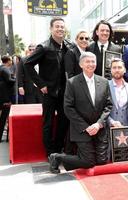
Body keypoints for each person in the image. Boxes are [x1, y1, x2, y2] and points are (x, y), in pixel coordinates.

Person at [48, 52, 112, 173]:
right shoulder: (72, 82)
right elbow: (68, 108)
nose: (91, 64)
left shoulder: (104, 82)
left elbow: (108, 106)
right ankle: (57, 157)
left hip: (99, 128)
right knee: (89, 162)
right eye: (88, 61)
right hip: (81, 129)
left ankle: (81, 155)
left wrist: (99, 124)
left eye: (93, 61)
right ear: (81, 64)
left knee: (102, 161)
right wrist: (86, 127)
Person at [24, 17, 74, 157]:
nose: (60, 29)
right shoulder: (44, 47)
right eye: (57, 26)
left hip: (65, 92)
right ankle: (49, 152)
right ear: (51, 29)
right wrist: (41, 84)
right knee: (48, 123)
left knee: (64, 122)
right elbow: (27, 64)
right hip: (49, 92)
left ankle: (58, 149)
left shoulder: (69, 46)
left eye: (62, 27)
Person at [108, 58, 128, 128]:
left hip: (126, 129)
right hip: (108, 130)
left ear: (125, 70)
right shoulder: (104, 86)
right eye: (114, 67)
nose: (117, 70)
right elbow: (100, 109)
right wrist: (112, 122)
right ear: (110, 70)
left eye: (119, 67)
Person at [0, 56, 15, 142]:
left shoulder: (1, 68)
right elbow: (10, 80)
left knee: (3, 117)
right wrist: (14, 78)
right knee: (4, 117)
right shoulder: (5, 69)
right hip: (5, 97)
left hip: (2, 96)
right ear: (8, 61)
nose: (12, 61)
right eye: (11, 60)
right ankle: (8, 137)